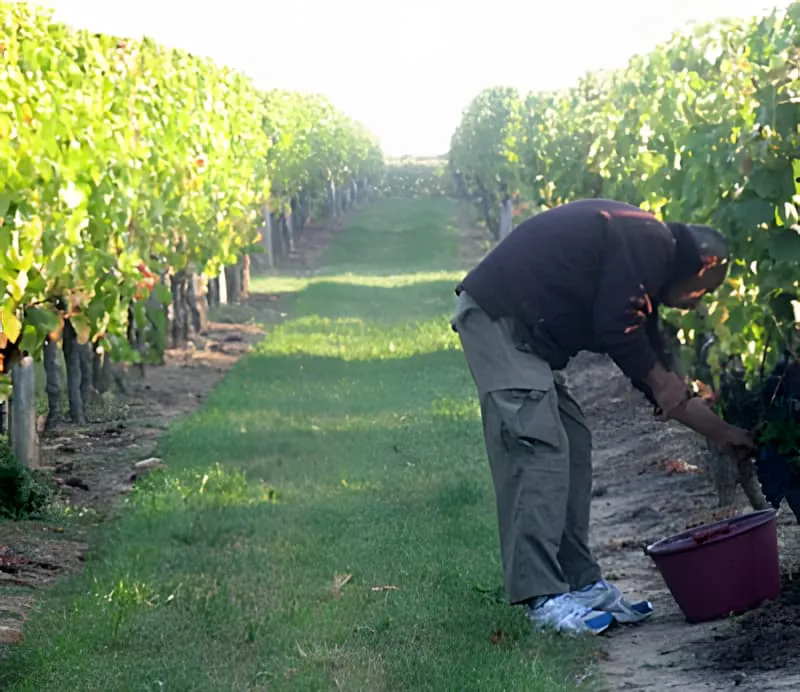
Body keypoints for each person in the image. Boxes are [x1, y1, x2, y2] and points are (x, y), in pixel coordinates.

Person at [450, 198, 756, 635]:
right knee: (537, 446)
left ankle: (580, 582)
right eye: (704, 290)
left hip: (525, 339)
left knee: (573, 443)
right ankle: (542, 597)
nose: (699, 304)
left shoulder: (644, 271)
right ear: (699, 268)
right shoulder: (649, 242)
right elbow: (618, 330)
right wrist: (660, 378)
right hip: (498, 322)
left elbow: (659, 379)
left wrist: (725, 433)